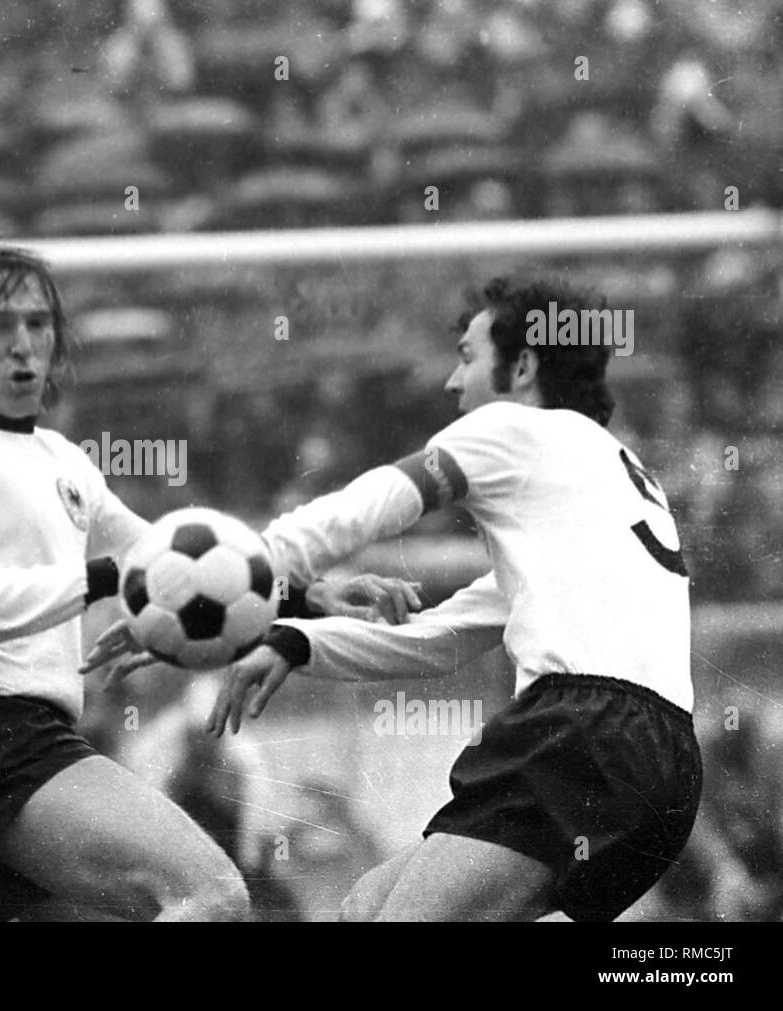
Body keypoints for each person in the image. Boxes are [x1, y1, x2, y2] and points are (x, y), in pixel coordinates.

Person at [206, 276, 702, 922]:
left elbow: (365, 508)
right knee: (366, 907)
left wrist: (239, 574)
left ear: (521, 366)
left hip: (582, 735)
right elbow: (438, 639)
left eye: (467, 357)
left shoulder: (516, 428)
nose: (450, 381)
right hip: (659, 762)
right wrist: (299, 640)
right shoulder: (601, 481)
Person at [0, 242, 253, 921]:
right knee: (211, 895)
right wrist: (106, 577)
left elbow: (182, 557)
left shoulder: (60, 459)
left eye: (39, 323)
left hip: (32, 738)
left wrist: (306, 595)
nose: (23, 343)